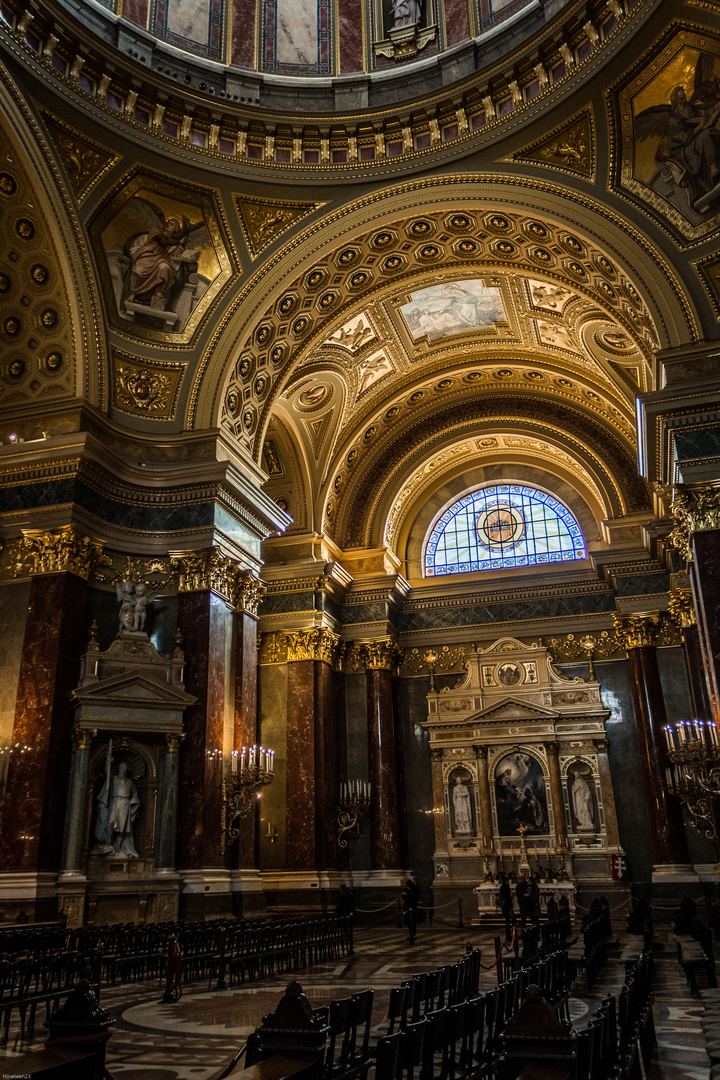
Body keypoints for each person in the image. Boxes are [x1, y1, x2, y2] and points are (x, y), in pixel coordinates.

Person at [402, 878, 419, 944]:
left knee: (412, 922)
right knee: (408, 922)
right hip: (407, 909)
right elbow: (404, 899)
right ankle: (410, 933)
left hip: (412, 909)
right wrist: (404, 895)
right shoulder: (407, 891)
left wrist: (406, 895)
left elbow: (413, 898)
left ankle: (412, 934)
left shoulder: (414, 891)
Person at [497, 875, 514, 940]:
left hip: (505, 907)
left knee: (508, 921)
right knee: (509, 921)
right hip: (507, 906)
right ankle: (510, 935)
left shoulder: (502, 887)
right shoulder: (505, 887)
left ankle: (509, 935)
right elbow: (507, 897)